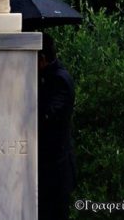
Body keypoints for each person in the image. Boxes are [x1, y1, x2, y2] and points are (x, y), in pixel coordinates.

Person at [38, 33, 77, 219]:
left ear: (42, 58)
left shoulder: (59, 79)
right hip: (48, 167)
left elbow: (48, 116)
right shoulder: (47, 76)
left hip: (56, 168)